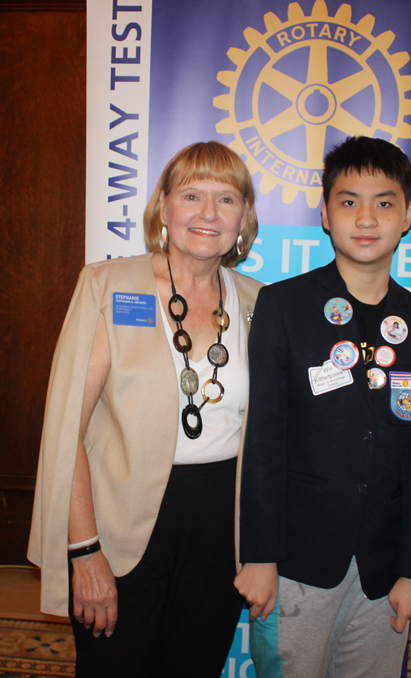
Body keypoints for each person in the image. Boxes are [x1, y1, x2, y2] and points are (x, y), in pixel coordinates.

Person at [27, 141, 262, 678]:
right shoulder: (107, 286)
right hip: (118, 521)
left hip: (222, 526)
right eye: (192, 195)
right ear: (164, 206)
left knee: (193, 665)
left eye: (226, 199)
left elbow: (306, 405)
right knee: (116, 664)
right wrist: (85, 551)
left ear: (244, 217)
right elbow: (68, 431)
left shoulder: (258, 301)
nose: (208, 213)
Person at [235, 136, 411, 678]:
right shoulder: (283, 306)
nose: (366, 218)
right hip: (297, 560)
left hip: (387, 566)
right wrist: (259, 556)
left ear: (406, 217)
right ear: (326, 213)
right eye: (348, 201)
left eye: (384, 202)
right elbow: (264, 439)